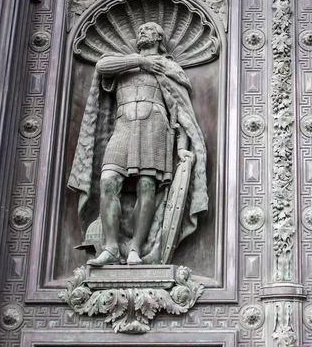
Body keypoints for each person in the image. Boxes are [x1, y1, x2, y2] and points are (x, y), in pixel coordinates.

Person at [68, 22, 208, 266]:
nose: (142, 31)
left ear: (160, 38)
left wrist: (182, 147)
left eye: (149, 29)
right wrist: (140, 62)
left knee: (147, 186)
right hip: (123, 127)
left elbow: (180, 111)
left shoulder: (169, 67)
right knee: (108, 180)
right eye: (140, 29)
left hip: (155, 127)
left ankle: (135, 249)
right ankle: (111, 248)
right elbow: (101, 66)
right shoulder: (123, 64)